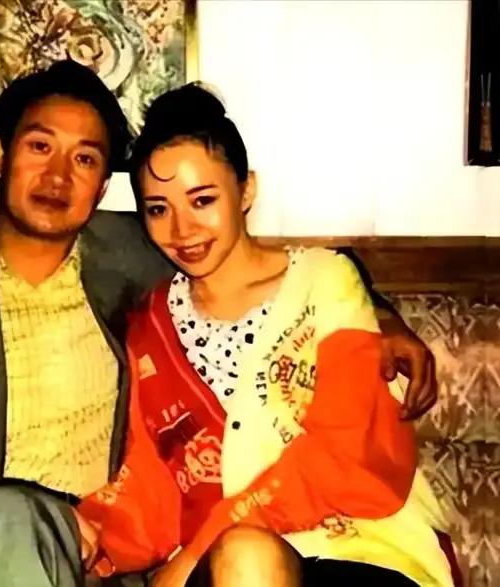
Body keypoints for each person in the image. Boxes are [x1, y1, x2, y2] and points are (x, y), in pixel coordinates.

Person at [0, 61, 437, 587]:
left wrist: (381, 315)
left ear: (103, 186)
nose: (59, 176)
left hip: (109, 555)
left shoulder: (140, 256)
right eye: (39, 146)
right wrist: (28, 512)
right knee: (7, 525)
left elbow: (291, 269)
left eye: (85, 159)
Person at [77, 84, 460, 587]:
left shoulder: (323, 282)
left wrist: (198, 552)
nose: (182, 229)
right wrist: (82, 533)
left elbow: (346, 452)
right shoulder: (149, 327)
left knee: (245, 553)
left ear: (247, 190)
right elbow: (151, 485)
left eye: (202, 200)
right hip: (226, 567)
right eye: (158, 209)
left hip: (359, 550)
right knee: (242, 557)